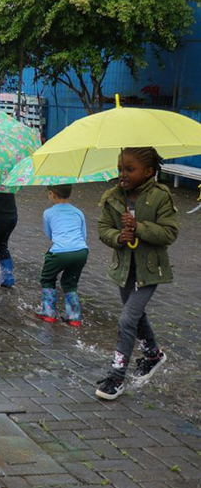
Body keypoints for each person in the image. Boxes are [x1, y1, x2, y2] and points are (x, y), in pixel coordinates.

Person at [95, 147, 177, 401]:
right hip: (124, 271)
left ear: (149, 172)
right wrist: (119, 236)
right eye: (120, 169)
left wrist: (139, 227)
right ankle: (153, 355)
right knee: (136, 316)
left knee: (127, 320)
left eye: (130, 169)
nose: (123, 174)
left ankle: (116, 377)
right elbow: (103, 228)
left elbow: (169, 233)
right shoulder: (112, 197)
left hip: (150, 272)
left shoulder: (159, 196)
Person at [38, 184, 89, 326]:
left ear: (52, 194)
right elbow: (83, 235)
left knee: (47, 278)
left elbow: (50, 234)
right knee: (70, 282)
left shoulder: (48, 213)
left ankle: (49, 312)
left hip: (60, 252)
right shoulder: (78, 212)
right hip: (81, 252)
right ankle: (74, 316)